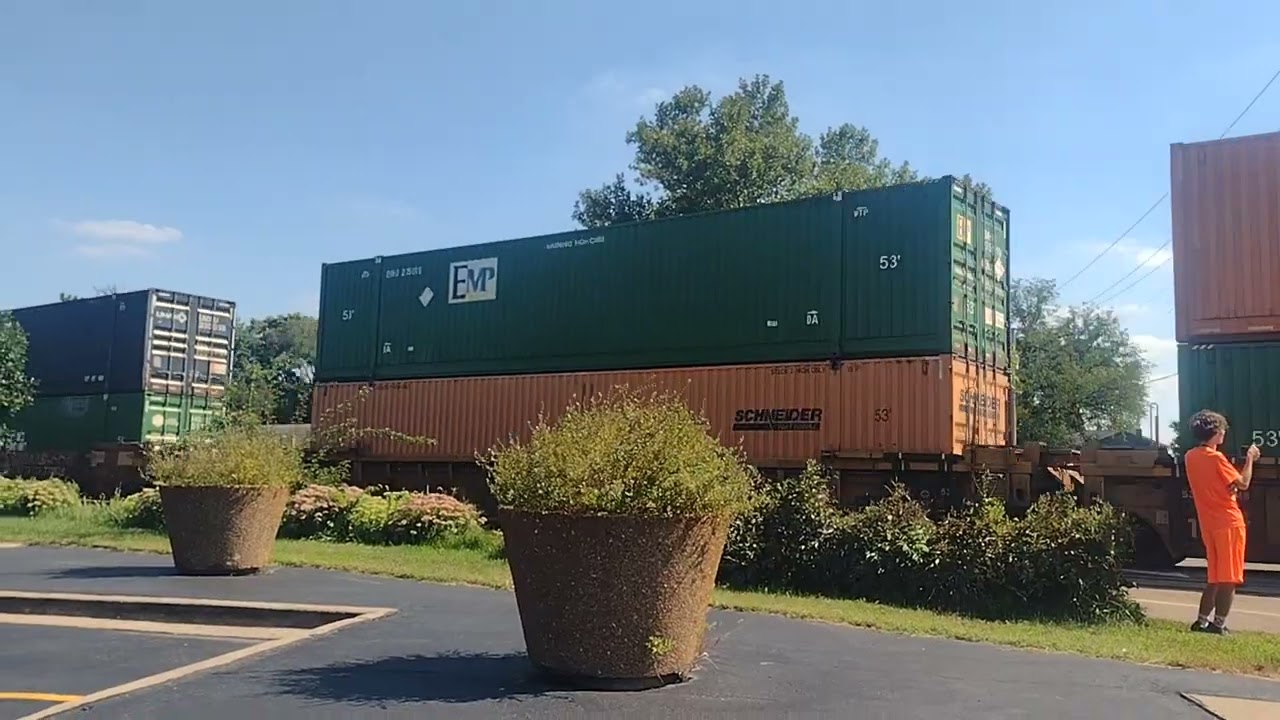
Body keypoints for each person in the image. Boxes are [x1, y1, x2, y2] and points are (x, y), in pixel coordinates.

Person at [1183, 409, 1258, 635]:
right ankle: (1219, 624)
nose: (1224, 433)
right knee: (1229, 578)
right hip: (1228, 521)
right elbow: (1243, 483)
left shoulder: (1190, 456)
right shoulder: (1216, 458)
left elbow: (1214, 483)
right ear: (1215, 433)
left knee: (1214, 576)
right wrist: (1250, 458)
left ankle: (1201, 620)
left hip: (1209, 522)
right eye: (1222, 430)